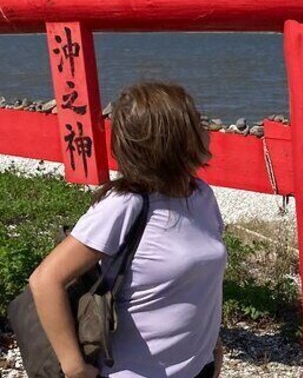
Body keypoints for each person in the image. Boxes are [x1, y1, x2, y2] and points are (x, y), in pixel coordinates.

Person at [29, 83, 227, 378]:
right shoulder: (126, 204)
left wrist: (213, 342)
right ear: (171, 138)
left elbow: (198, 282)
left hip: (198, 366)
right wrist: (75, 367)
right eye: (196, 121)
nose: (207, 127)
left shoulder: (200, 195)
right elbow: (45, 280)